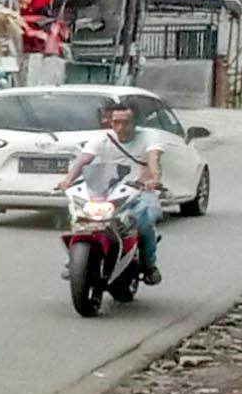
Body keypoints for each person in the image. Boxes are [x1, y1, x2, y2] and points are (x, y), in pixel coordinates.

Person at [52, 96, 164, 283]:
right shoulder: (101, 139)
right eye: (115, 122)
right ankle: (73, 261)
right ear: (110, 122)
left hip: (137, 190)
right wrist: (67, 180)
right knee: (79, 217)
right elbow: (83, 160)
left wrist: (154, 179)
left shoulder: (149, 137)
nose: (120, 128)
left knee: (144, 223)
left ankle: (149, 265)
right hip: (107, 191)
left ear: (135, 122)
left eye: (125, 123)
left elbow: (154, 158)